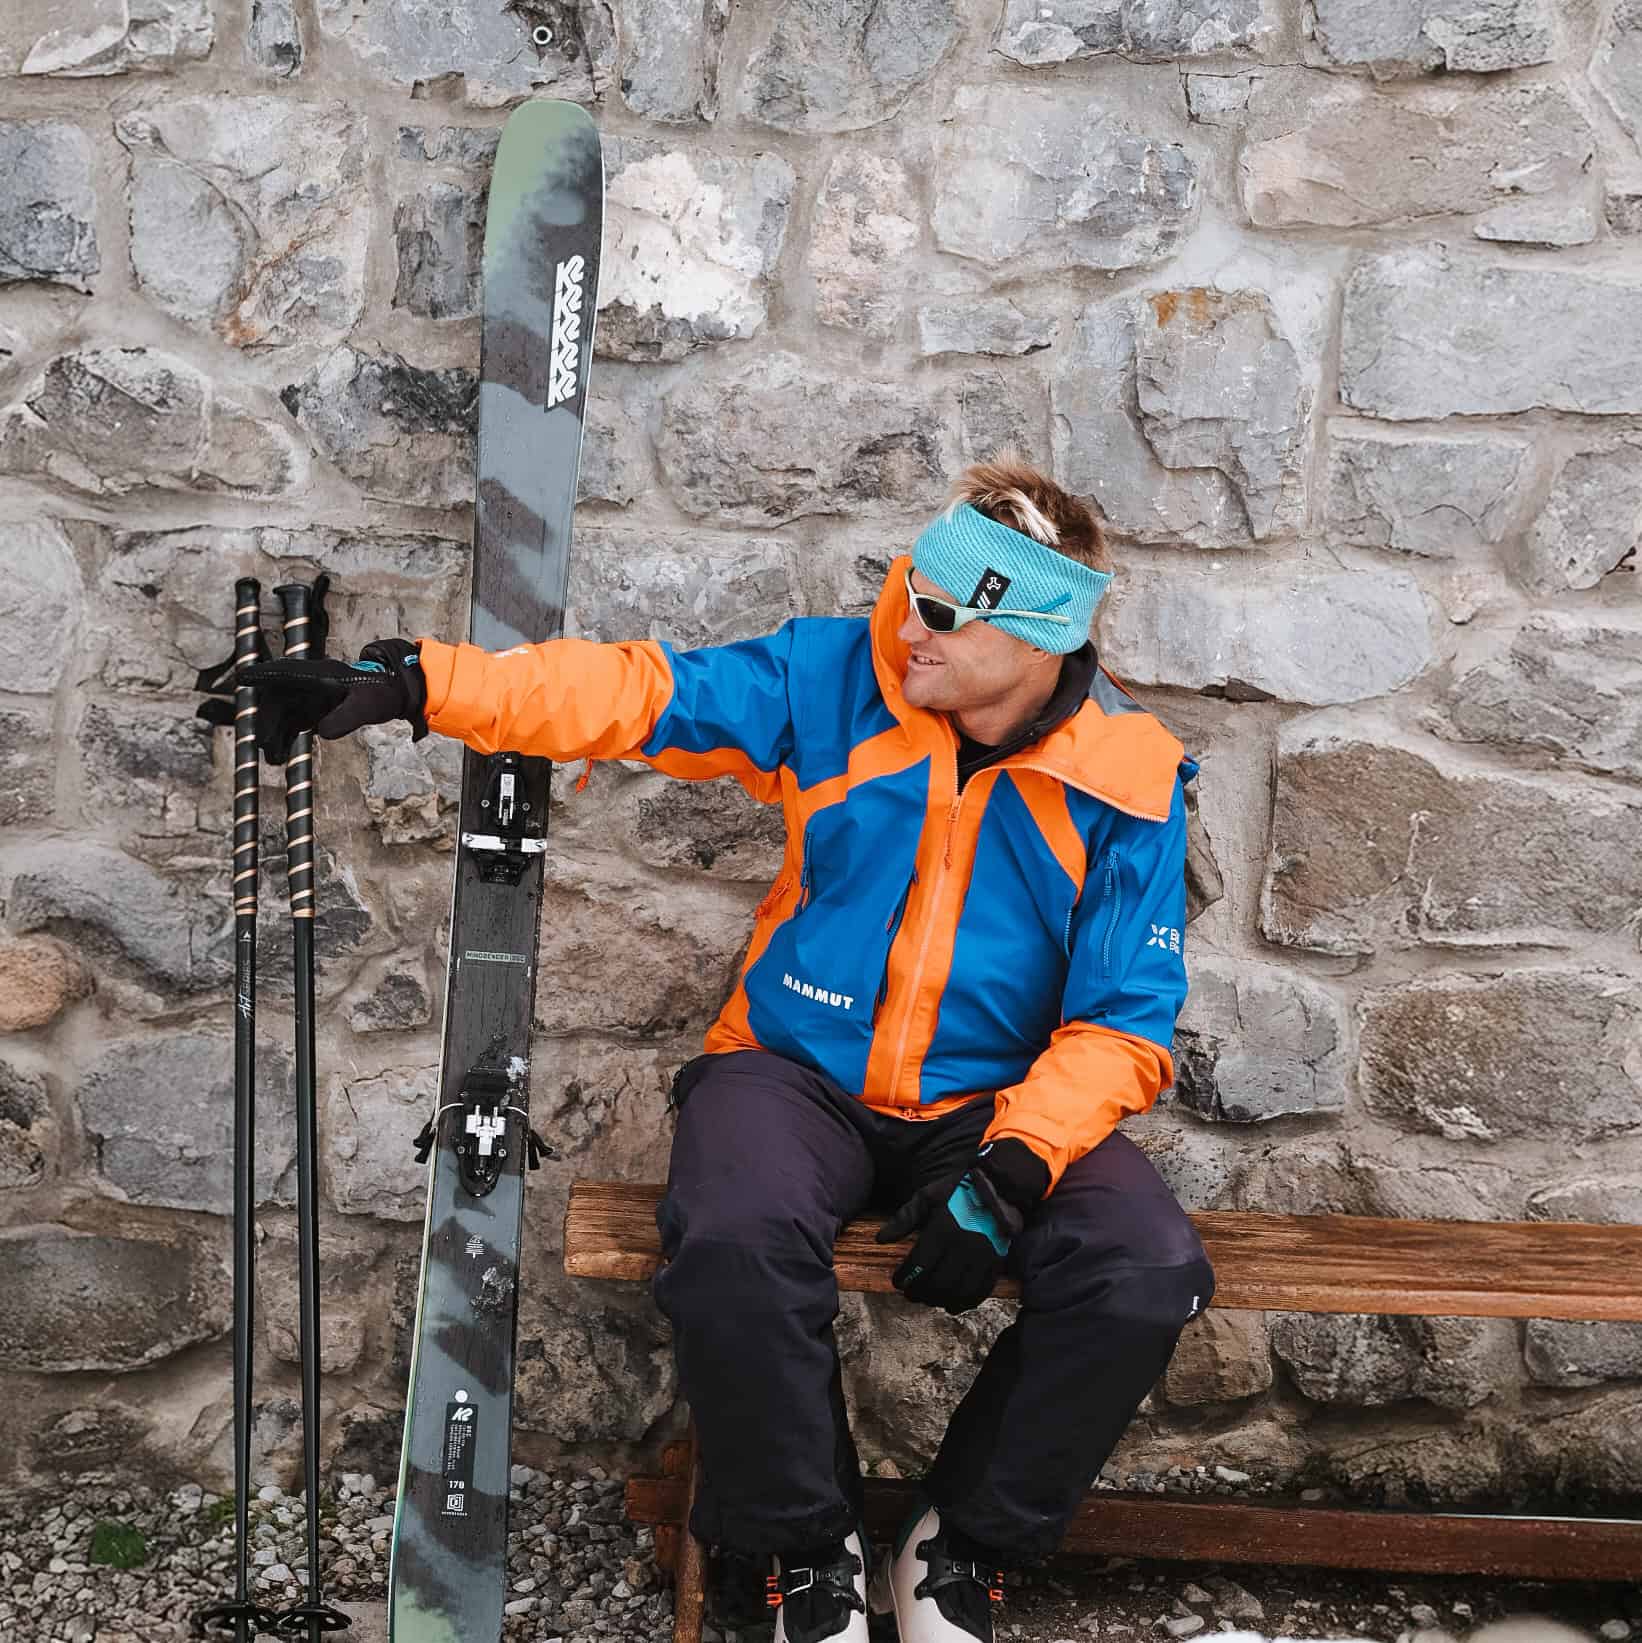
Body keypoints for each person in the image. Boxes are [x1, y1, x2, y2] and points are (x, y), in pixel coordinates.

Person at [241, 455, 1216, 1643]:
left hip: (997, 1097)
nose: (910, 623)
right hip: (793, 1064)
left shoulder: (1129, 780)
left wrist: (1011, 1169)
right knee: (732, 1236)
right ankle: (805, 1549)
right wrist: (416, 683)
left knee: (1144, 1267)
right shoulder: (836, 678)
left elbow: (1122, 1017)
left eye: (948, 616)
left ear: (1041, 635)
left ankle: (964, 1545)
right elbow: (635, 693)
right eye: (913, 586)